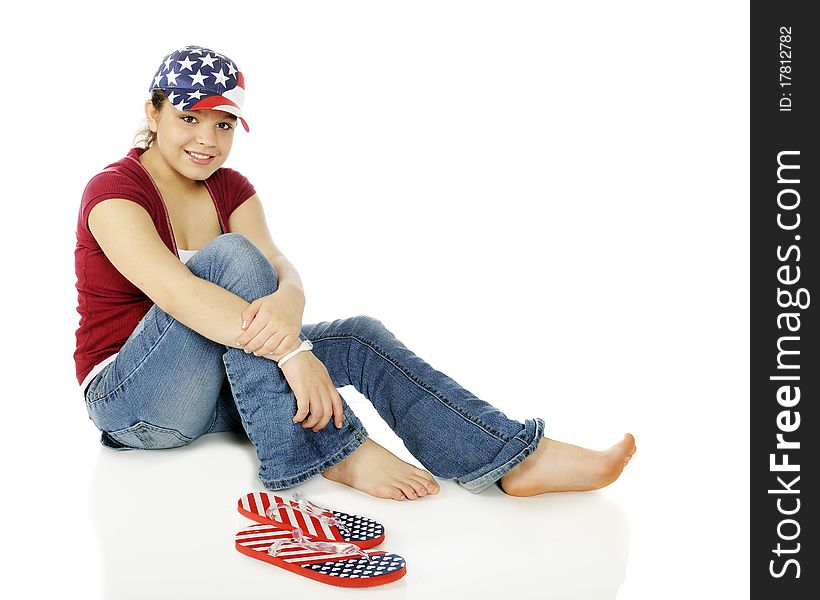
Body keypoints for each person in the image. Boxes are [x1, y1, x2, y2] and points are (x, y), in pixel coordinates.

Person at [74, 45, 636, 502]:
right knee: (230, 257)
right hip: (134, 401)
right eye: (188, 118)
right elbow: (178, 293)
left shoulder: (231, 187)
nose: (206, 139)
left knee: (358, 336)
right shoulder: (114, 193)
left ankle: (514, 458)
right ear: (153, 111)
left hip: (221, 391)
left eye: (223, 125)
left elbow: (276, 265)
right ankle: (335, 451)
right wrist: (293, 352)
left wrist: (292, 295)